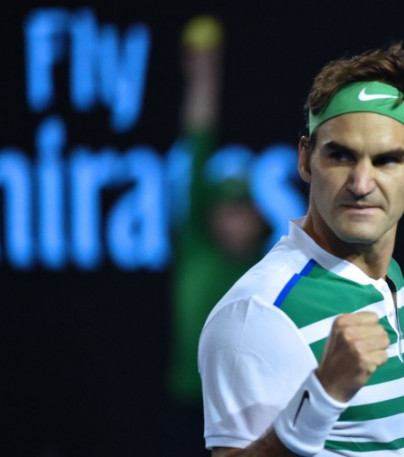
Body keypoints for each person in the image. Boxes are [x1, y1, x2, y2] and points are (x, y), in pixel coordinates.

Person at [198, 43, 404, 456]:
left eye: (387, 161)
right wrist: (323, 395)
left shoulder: (385, 276)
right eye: (341, 156)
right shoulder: (258, 313)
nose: (361, 184)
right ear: (305, 159)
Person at [164, 16, 269, 457]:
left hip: (245, 408)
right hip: (189, 401)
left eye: (242, 208)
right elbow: (198, 134)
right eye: (225, 208)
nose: (234, 220)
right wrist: (204, 74)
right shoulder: (196, 241)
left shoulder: (270, 265)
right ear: (209, 214)